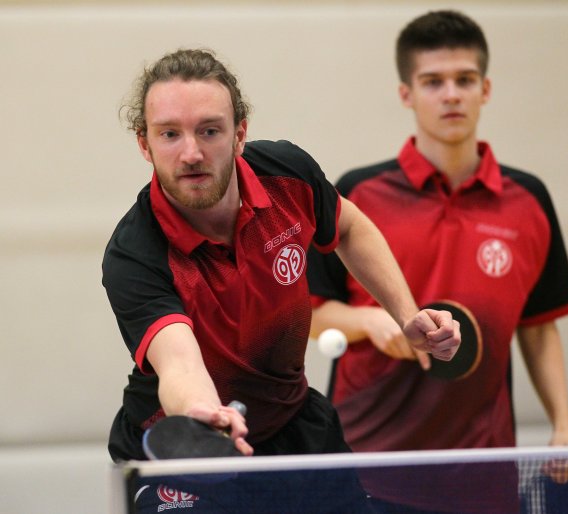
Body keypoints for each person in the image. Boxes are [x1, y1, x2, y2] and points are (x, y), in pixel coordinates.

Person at [101, 48, 461, 513]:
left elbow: (348, 226)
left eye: (210, 130)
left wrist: (407, 314)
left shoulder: (287, 174)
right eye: (170, 134)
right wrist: (205, 417)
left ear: (239, 135)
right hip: (185, 450)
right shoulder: (135, 252)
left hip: (294, 426)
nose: (191, 152)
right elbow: (180, 364)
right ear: (144, 144)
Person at [307, 10, 568, 514]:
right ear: (406, 93)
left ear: (486, 89)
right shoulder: (358, 194)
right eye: (433, 81)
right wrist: (369, 319)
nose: (451, 94)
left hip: (483, 476)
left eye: (464, 80)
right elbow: (311, 312)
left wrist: (564, 425)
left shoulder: (529, 200)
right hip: (368, 471)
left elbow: (539, 326)